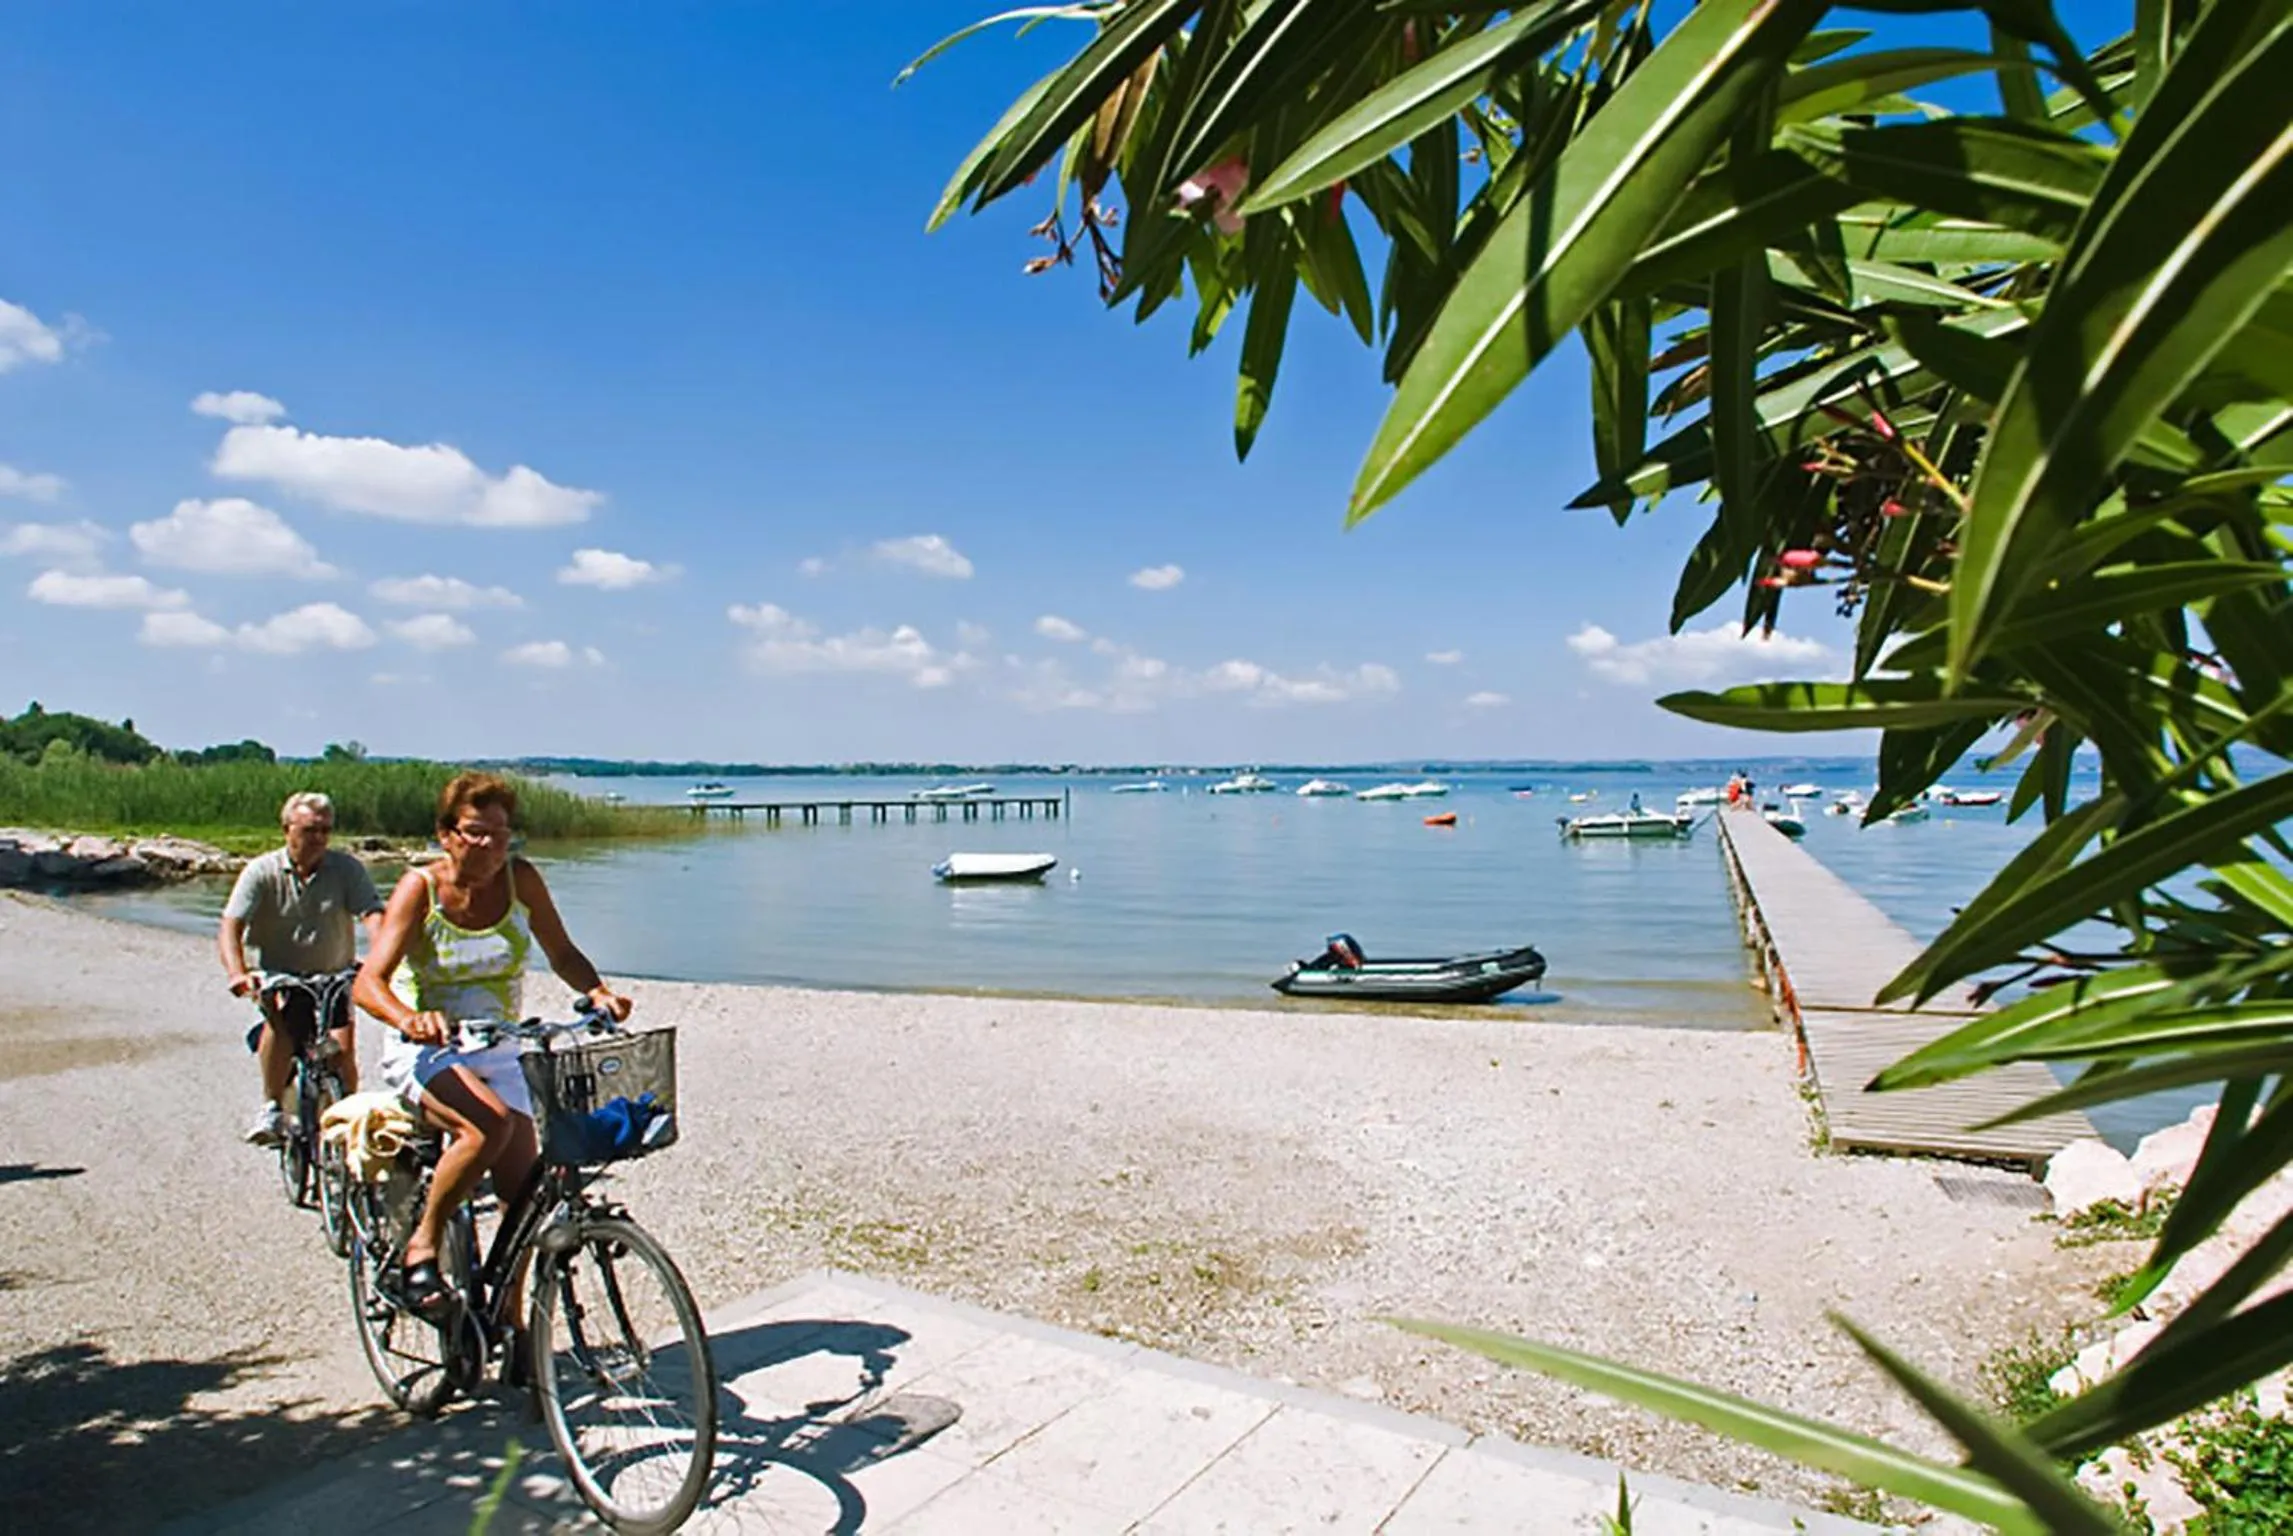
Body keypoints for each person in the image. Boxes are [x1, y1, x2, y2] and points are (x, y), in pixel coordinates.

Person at [353, 771, 631, 1317]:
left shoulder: (519, 879)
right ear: (446, 834)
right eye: (475, 832)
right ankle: (422, 1244)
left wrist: (597, 991)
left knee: (525, 1190)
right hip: (431, 1048)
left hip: (500, 1043)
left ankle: (509, 1317)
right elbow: (369, 982)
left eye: (500, 835)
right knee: (489, 1125)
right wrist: (411, 1019)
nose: (489, 846)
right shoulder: (421, 888)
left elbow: (562, 952)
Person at [219, 791, 383, 1146]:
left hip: (332, 974)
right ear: (287, 829)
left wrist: (381, 955)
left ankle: (347, 1118)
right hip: (281, 974)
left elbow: (371, 913)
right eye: (310, 830)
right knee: (281, 1022)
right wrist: (238, 972)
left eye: (326, 830)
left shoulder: (346, 869)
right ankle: (272, 1106)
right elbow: (231, 925)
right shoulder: (261, 872)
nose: (319, 838)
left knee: (342, 1049)